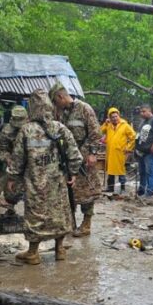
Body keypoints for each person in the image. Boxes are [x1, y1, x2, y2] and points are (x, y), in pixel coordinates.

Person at [7, 89, 83, 265]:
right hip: (57, 181)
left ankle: (33, 253)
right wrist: (72, 172)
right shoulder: (59, 128)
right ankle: (60, 250)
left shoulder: (26, 130)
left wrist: (12, 178)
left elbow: (18, 158)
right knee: (60, 213)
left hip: (35, 183)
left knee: (35, 215)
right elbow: (75, 155)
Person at [49, 82, 102, 237]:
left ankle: (86, 224)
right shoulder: (62, 113)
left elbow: (96, 133)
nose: (55, 104)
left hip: (84, 158)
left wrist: (91, 153)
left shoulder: (84, 108)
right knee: (69, 191)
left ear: (60, 96)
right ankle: (70, 223)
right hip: (69, 159)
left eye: (55, 101)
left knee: (87, 193)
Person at [0, 105, 28, 213]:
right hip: (14, 164)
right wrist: (8, 158)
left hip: (31, 164)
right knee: (11, 190)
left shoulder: (32, 127)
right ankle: (11, 210)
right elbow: (2, 149)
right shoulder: (7, 130)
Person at [100, 107, 135, 193]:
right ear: (110, 118)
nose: (115, 118)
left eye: (116, 116)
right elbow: (100, 131)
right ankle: (110, 188)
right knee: (110, 171)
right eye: (112, 117)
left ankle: (122, 189)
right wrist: (105, 123)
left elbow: (133, 136)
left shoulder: (125, 125)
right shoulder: (108, 125)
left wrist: (128, 148)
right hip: (110, 152)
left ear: (119, 116)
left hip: (120, 152)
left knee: (120, 171)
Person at [135, 104, 153, 198]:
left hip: (150, 153)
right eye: (140, 112)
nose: (141, 113)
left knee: (150, 172)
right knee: (142, 172)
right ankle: (141, 190)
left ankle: (150, 192)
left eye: (143, 111)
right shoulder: (143, 122)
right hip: (142, 152)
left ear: (149, 111)